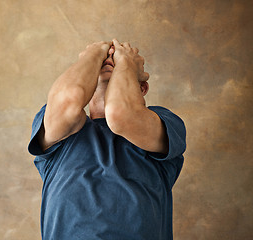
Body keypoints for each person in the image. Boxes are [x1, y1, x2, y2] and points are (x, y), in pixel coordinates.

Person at [28, 39, 186, 240]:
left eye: (117, 61)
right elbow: (69, 100)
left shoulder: (165, 122)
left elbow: (121, 114)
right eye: (104, 59)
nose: (109, 58)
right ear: (89, 81)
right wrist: (93, 54)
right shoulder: (59, 128)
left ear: (143, 89)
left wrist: (127, 61)